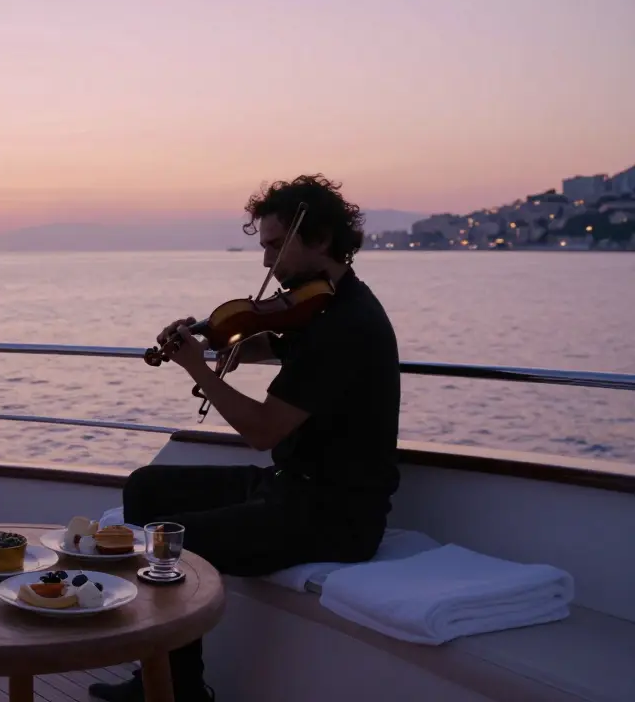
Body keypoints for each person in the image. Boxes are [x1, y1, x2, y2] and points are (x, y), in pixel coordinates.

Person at [90, 174, 401, 702]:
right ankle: (160, 675)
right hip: (289, 484)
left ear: (320, 239)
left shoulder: (345, 327)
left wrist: (199, 369)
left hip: (335, 514)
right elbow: (278, 344)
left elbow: (262, 430)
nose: (266, 264)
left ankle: (181, 691)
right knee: (146, 489)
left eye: (276, 246)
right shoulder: (322, 305)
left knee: (174, 540)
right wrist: (219, 336)